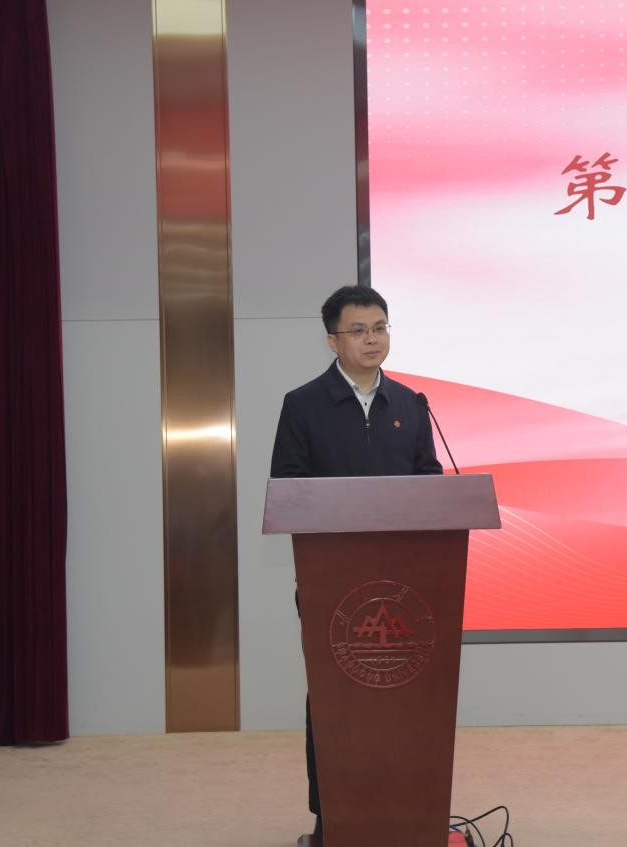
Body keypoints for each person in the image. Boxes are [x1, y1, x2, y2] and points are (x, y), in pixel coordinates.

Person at [269, 284, 442, 838]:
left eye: (380, 328)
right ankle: (334, 817)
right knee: (333, 700)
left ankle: (407, 812)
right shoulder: (303, 405)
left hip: (406, 588)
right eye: (359, 330)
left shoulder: (411, 405)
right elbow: (287, 490)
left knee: (405, 698)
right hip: (332, 586)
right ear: (332, 341)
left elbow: (430, 485)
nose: (373, 339)